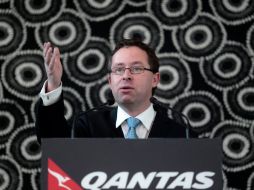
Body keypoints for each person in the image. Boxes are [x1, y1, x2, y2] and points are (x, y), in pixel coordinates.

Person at [35, 39, 190, 143]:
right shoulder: (87, 126)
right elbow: (52, 142)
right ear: (110, 81)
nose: (126, 76)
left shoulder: (183, 136)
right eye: (118, 69)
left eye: (136, 68)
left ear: (155, 79)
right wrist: (54, 84)